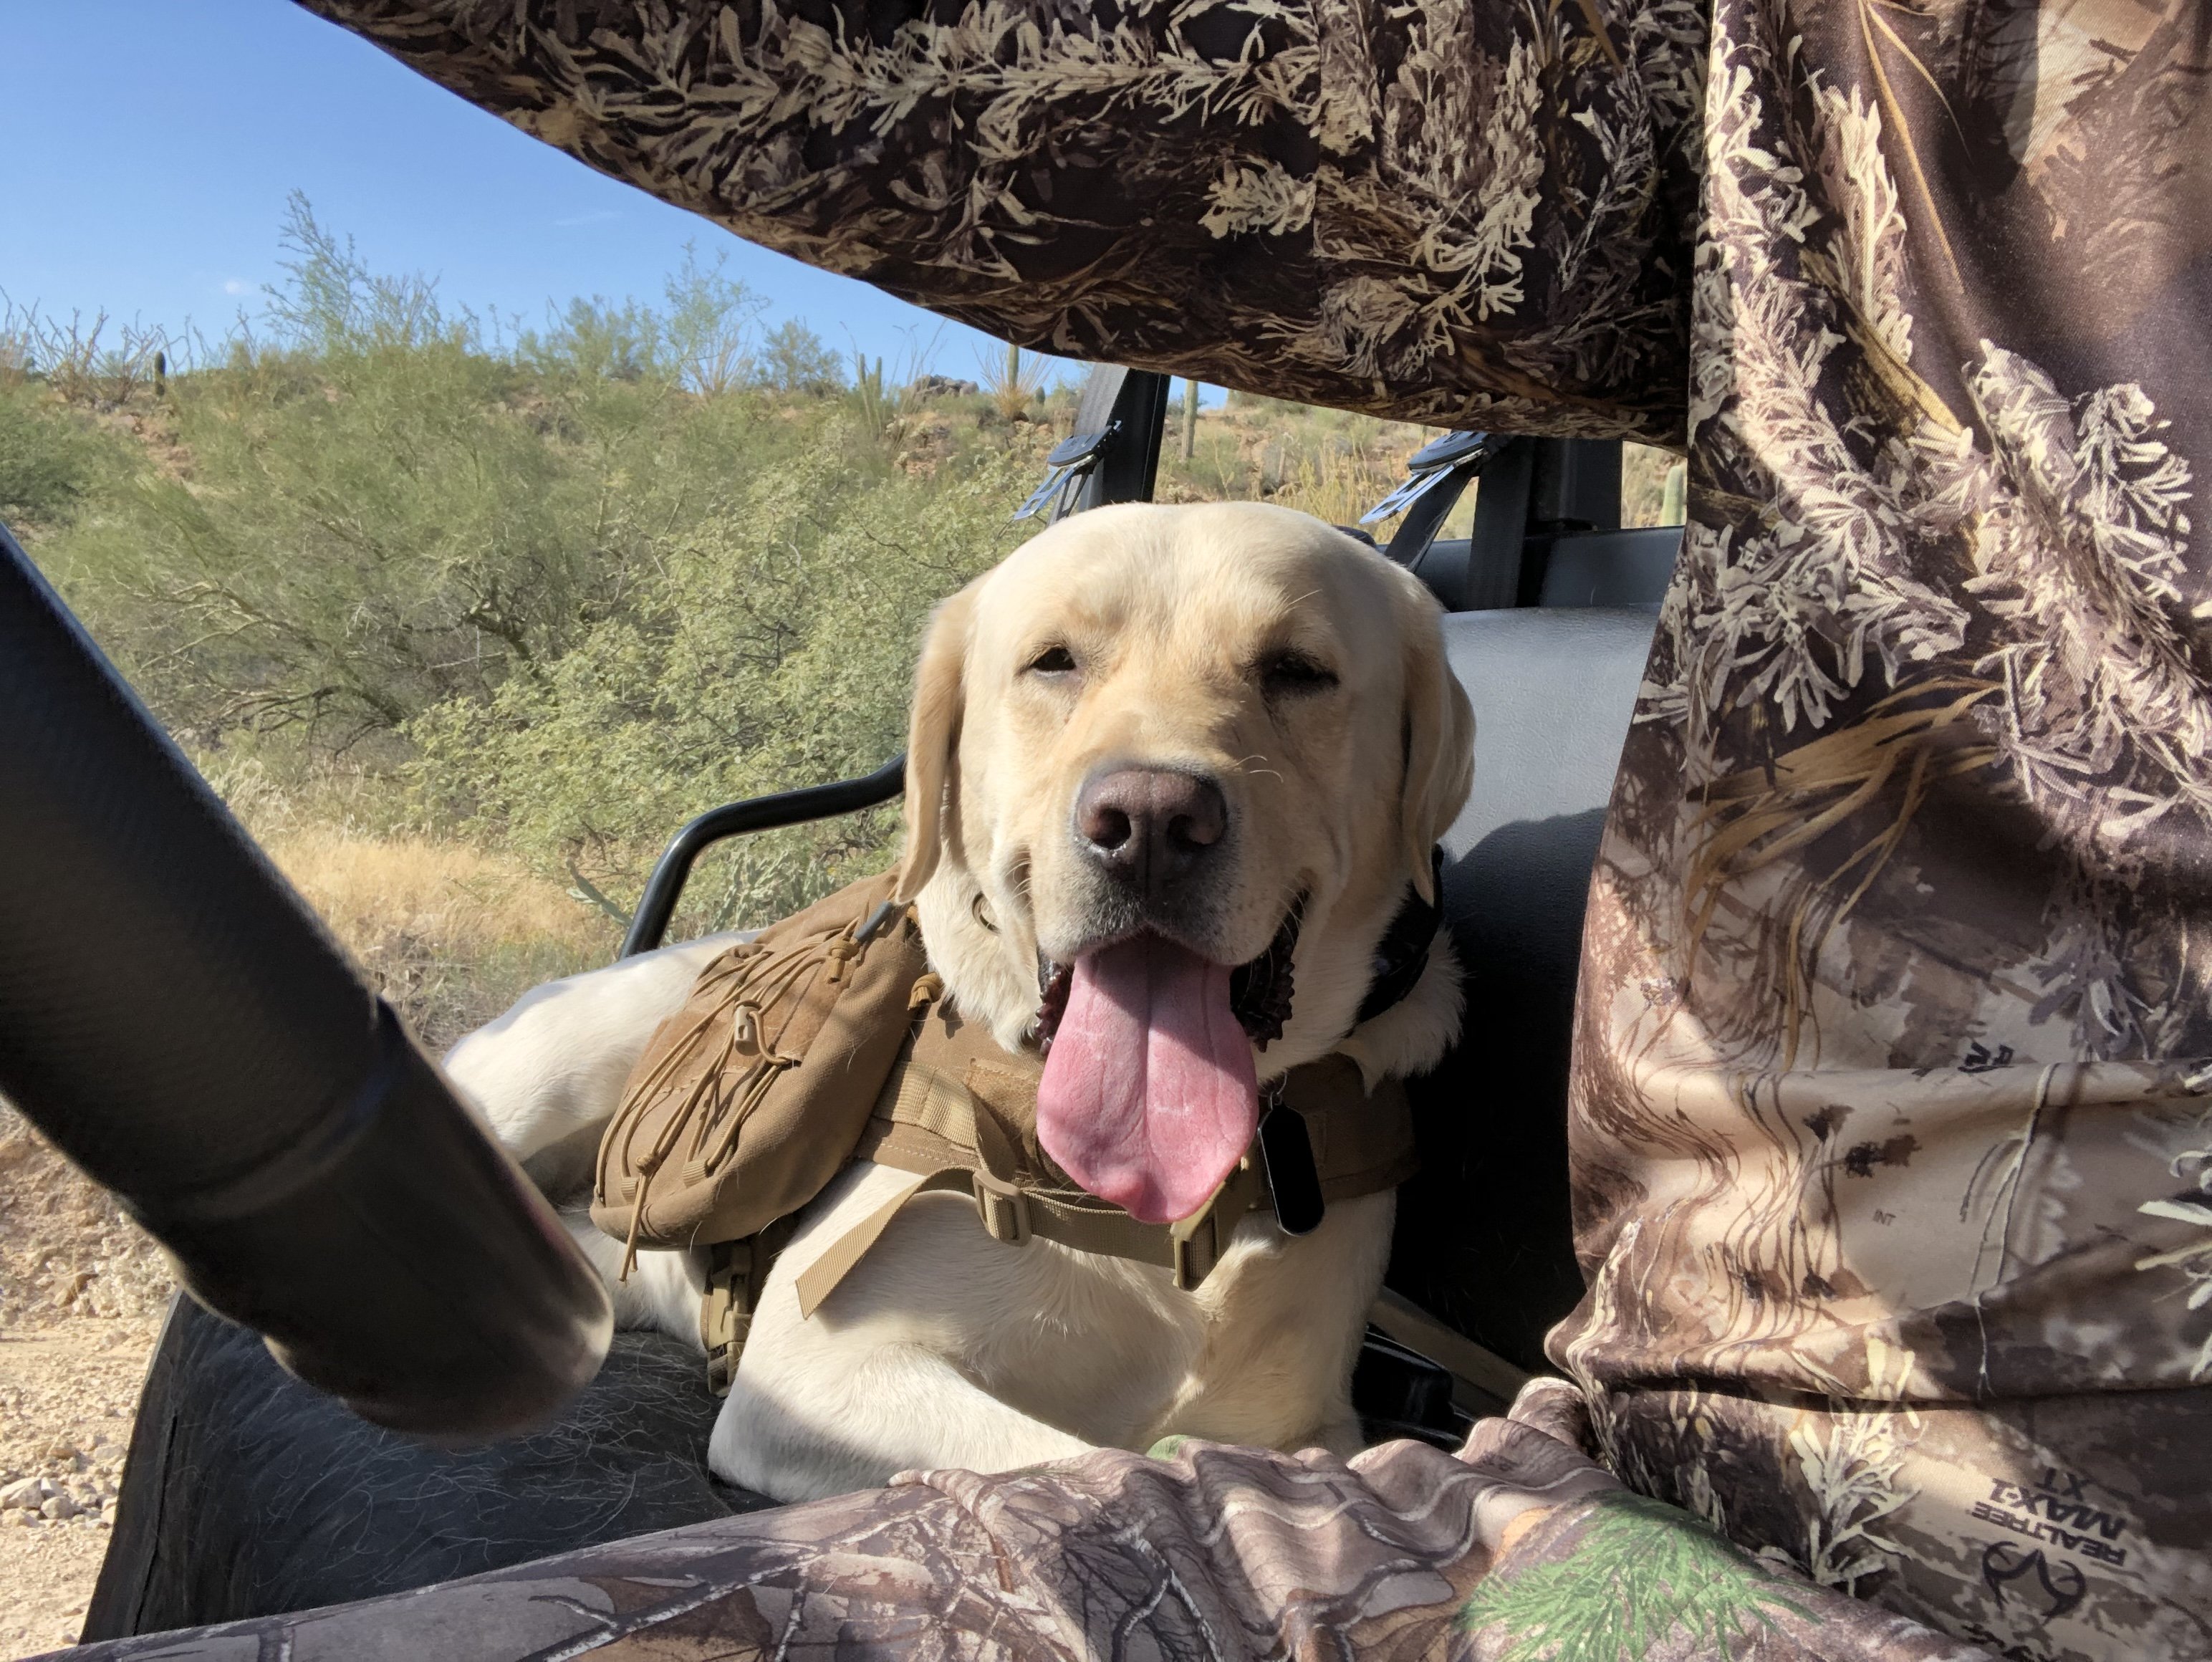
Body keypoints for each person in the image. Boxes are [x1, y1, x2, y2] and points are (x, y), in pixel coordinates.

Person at [176, 4, 2208, 1656]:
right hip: (773, 1266)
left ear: (1417, 778)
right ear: (949, 774)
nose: (1152, 782)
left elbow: (1286, 1447)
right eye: (1058, 675)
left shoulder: (1354, 1091)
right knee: (564, 1050)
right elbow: (805, 1407)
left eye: (1289, 679)